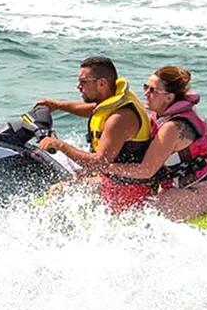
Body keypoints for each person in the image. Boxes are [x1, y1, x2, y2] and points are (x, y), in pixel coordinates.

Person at [100, 65, 207, 220]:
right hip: (174, 187)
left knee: (146, 215)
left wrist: (105, 166)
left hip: (199, 189)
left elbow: (146, 170)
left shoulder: (173, 127)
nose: (146, 93)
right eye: (146, 87)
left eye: (153, 90)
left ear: (169, 98)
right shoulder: (158, 117)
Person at [36, 57, 154, 212]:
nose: (78, 86)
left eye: (83, 82)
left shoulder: (119, 119)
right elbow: (91, 109)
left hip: (127, 190)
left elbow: (99, 163)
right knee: (70, 174)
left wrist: (60, 145)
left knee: (58, 192)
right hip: (112, 179)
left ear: (102, 84)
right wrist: (57, 105)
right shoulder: (113, 101)